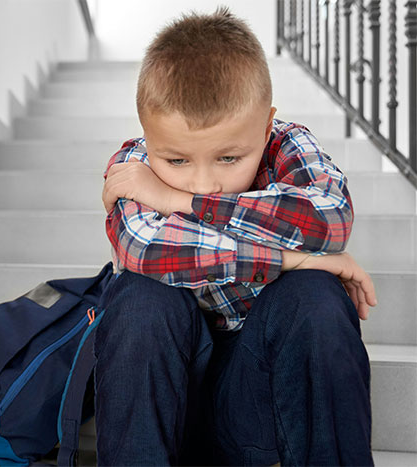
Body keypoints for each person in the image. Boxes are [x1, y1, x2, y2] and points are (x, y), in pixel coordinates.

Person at [94, 6, 378, 466]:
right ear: (147, 133)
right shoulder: (134, 163)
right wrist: (295, 259)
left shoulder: (286, 144)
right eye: (177, 162)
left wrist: (180, 202)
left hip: (256, 399)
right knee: (140, 295)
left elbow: (329, 218)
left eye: (228, 159)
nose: (205, 183)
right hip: (159, 408)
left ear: (266, 126)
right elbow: (141, 246)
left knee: (317, 295)